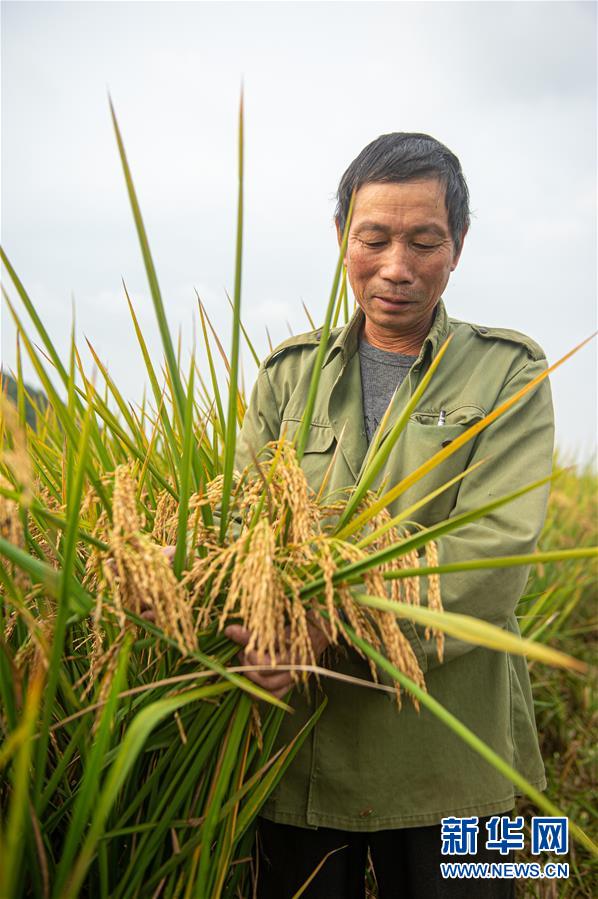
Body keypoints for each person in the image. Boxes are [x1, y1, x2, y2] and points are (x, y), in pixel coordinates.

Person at [224, 133, 555, 898]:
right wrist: (259, 625)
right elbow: (244, 534)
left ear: (459, 245)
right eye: (374, 238)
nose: (397, 267)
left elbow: (495, 563)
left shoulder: (511, 367)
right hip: (300, 754)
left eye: (424, 240)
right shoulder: (286, 375)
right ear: (343, 238)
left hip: (469, 756)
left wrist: (323, 628)